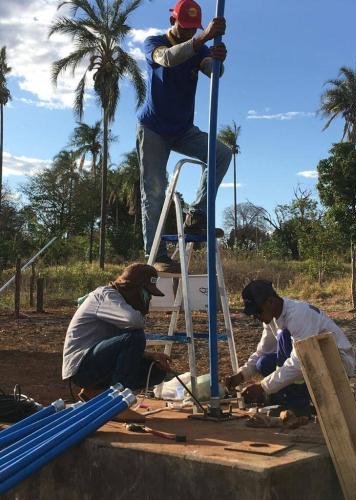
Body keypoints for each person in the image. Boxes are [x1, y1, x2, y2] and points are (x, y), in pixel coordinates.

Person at [137, 0, 232, 273]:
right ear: (172, 21)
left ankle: (197, 214)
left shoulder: (199, 47)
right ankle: (157, 255)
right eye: (185, 26)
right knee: (154, 191)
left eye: (194, 29)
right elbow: (167, 59)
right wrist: (203, 38)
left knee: (222, 153)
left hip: (182, 130)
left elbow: (212, 71)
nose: (189, 32)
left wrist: (217, 60)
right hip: (153, 128)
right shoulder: (153, 43)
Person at [225, 279, 355, 412]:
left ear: (270, 301)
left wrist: (263, 387)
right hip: (312, 362)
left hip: (337, 364)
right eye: (253, 314)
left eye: (258, 312)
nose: (256, 317)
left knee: (284, 336)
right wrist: (241, 375)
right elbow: (262, 352)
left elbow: (298, 362)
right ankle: (290, 399)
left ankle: (297, 405)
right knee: (263, 363)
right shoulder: (272, 319)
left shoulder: (298, 316)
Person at [62, 263, 171, 401]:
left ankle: (94, 392)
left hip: (96, 361)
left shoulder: (122, 303)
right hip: (81, 368)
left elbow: (120, 348)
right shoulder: (106, 296)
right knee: (136, 337)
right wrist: (140, 311)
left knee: (156, 370)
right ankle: (116, 402)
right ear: (133, 288)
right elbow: (134, 321)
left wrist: (150, 355)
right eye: (146, 293)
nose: (148, 299)